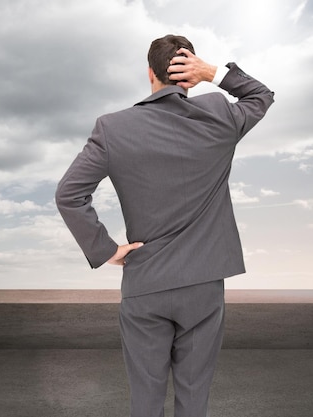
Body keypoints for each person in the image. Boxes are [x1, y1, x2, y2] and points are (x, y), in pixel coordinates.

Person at [55, 35, 274, 417]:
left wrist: (106, 250)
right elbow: (260, 96)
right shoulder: (219, 115)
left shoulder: (113, 128)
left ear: (149, 72)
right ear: (188, 76)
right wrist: (214, 73)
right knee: (194, 399)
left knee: (145, 400)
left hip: (146, 282)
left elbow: (69, 194)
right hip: (203, 285)